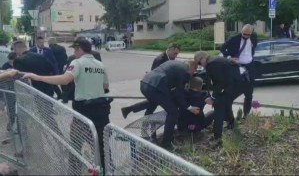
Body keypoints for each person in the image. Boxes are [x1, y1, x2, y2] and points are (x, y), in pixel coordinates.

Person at [23, 37, 111, 172]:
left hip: (84, 110)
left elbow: (64, 80)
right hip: (101, 110)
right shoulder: (100, 65)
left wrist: (38, 77)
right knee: (101, 145)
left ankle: (74, 170)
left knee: (76, 143)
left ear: (80, 49)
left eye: (75, 49)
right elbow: (105, 87)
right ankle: (105, 170)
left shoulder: (77, 62)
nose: (74, 53)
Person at [139, 60, 198, 149]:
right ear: (192, 67)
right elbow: (179, 93)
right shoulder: (184, 71)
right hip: (156, 87)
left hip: (144, 83)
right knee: (173, 112)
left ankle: (147, 136)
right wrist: (189, 107)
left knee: (151, 108)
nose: (193, 73)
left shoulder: (175, 63)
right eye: (194, 71)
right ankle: (167, 142)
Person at [194, 51, 245, 143]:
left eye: (199, 62)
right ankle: (231, 124)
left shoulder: (211, 64)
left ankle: (217, 137)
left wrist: (213, 98)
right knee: (225, 103)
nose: (200, 65)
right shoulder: (214, 61)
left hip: (235, 85)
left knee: (219, 105)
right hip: (238, 83)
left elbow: (220, 82)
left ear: (203, 58)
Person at [121, 43, 181, 118]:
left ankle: (128, 110)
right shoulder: (160, 59)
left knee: (152, 104)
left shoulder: (171, 59)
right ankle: (131, 111)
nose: (176, 56)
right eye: (175, 53)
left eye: (177, 54)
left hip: (161, 87)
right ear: (170, 49)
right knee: (154, 104)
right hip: (155, 86)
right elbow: (154, 74)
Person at [220, 24, 257, 119]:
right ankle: (229, 117)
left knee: (249, 94)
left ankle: (246, 115)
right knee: (232, 92)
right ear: (241, 31)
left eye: (248, 35)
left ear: (251, 33)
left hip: (249, 67)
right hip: (237, 66)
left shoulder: (254, 37)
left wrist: (251, 57)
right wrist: (229, 57)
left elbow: (253, 48)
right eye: (244, 34)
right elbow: (222, 48)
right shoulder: (234, 38)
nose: (246, 36)